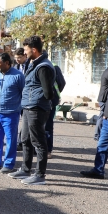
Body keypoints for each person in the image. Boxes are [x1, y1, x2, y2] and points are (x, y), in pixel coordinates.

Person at [8, 36, 56, 185]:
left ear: (34, 50)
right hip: (29, 106)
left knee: (38, 141)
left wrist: (36, 97)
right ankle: (25, 169)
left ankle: (40, 175)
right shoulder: (34, 63)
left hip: (37, 107)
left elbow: (48, 92)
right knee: (25, 139)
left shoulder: (43, 67)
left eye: (27, 50)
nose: (25, 53)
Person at [0, 53, 25, 172]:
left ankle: (8, 164)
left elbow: (24, 93)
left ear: (7, 63)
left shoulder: (18, 75)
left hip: (11, 113)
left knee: (11, 139)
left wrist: (20, 108)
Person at [45, 62, 66, 159]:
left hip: (50, 101)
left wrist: (53, 95)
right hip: (38, 102)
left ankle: (48, 149)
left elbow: (61, 83)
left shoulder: (53, 67)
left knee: (48, 126)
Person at [13, 48, 29, 151]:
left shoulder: (30, 66)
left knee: (26, 122)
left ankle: (23, 142)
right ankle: (18, 141)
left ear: (25, 56)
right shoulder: (15, 67)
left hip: (27, 98)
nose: (17, 60)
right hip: (17, 99)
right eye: (15, 58)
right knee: (15, 121)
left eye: (19, 57)